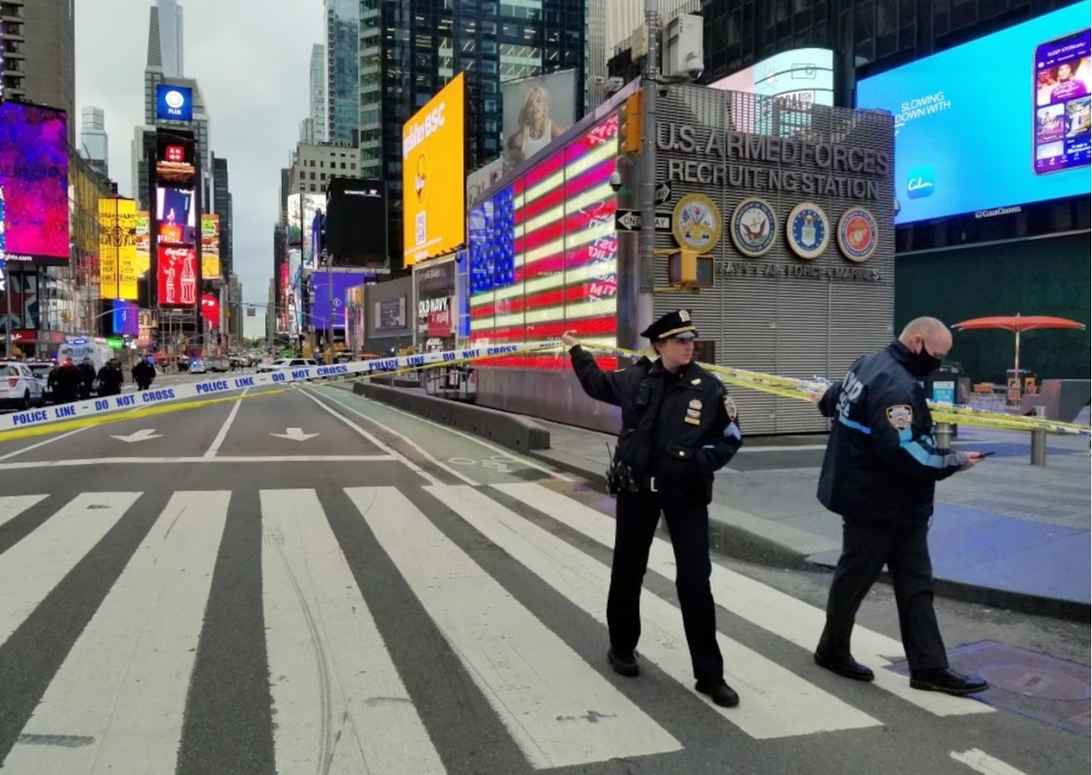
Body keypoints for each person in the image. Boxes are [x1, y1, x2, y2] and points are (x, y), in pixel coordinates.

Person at [562, 310, 743, 708]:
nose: (689, 346)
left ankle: (710, 675)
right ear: (660, 345)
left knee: (695, 581)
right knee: (628, 571)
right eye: (680, 340)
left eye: (691, 339)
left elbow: (731, 436)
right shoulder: (636, 379)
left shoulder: (709, 388)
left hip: (686, 496)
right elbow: (596, 384)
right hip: (638, 492)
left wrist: (698, 463)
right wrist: (576, 351)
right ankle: (622, 647)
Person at [810, 317, 989, 696]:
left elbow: (835, 399)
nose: (938, 364)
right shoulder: (897, 386)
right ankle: (833, 650)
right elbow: (907, 453)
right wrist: (956, 460)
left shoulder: (867, 363)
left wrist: (823, 399)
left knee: (910, 584)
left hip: (884, 501)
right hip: (879, 503)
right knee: (859, 581)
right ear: (918, 342)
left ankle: (928, 667)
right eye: (937, 355)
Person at [504, 86, 565, 168]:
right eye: (530, 104)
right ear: (526, 110)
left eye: (538, 101)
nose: (535, 106)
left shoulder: (555, 132)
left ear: (545, 106)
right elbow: (512, 167)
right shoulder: (517, 139)